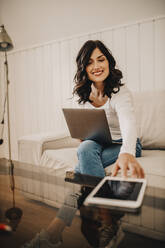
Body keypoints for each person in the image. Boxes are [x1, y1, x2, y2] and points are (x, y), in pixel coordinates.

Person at [21, 40, 145, 248]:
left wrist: (127, 153)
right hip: (97, 143)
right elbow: (84, 131)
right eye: (90, 62)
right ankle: (108, 222)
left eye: (101, 59)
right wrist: (83, 134)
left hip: (124, 144)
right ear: (84, 68)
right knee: (85, 147)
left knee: (81, 166)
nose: (96, 66)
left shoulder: (120, 92)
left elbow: (128, 123)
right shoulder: (83, 95)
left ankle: (55, 231)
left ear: (109, 62)